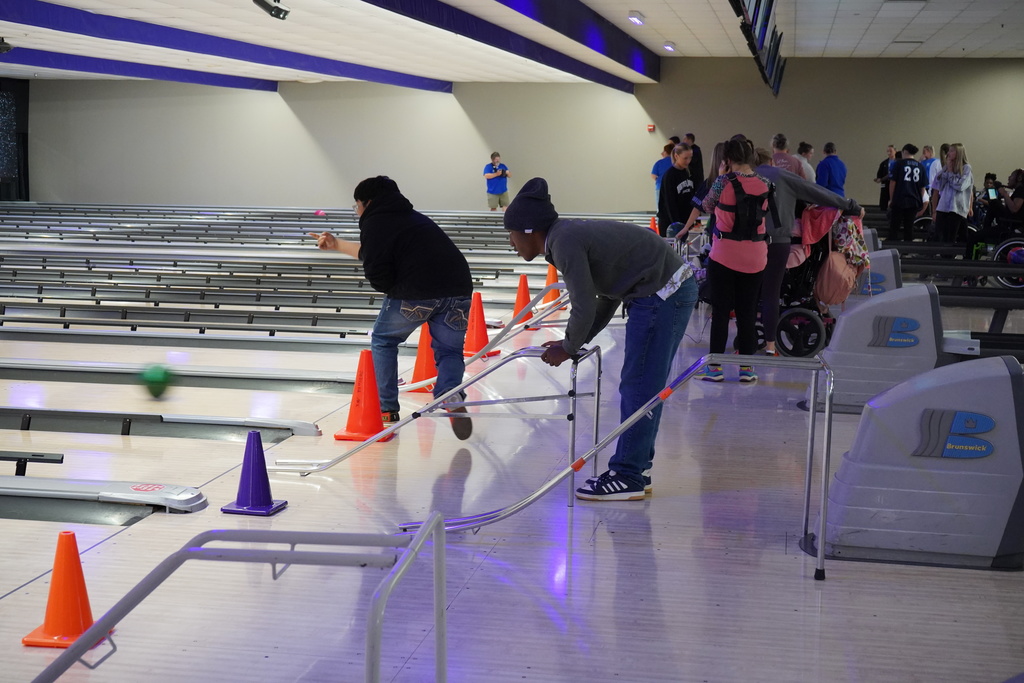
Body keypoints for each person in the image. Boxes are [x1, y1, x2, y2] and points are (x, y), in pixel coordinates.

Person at [503, 177, 698, 501]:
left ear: (528, 230)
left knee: (639, 385)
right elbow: (605, 298)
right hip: (665, 290)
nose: (511, 242)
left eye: (510, 233)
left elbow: (582, 304)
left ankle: (628, 475)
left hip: (661, 293)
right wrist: (572, 344)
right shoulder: (565, 235)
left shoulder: (563, 241)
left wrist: (568, 347)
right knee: (643, 384)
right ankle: (637, 469)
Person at [309, 176, 474, 439]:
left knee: (384, 340)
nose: (357, 211)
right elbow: (375, 251)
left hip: (417, 292)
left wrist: (390, 288)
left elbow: (377, 268)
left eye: (356, 206)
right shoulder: (412, 218)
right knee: (450, 350)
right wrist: (336, 244)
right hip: (459, 289)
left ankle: (385, 408)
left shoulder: (375, 222)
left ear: (367, 202)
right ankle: (450, 393)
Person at [756, 159, 863, 357]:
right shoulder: (788, 186)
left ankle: (767, 343)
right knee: (770, 293)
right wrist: (850, 205)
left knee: (766, 293)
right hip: (786, 247)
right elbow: (816, 191)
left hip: (766, 247)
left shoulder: (749, 179)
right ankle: (770, 346)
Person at [701, 138, 776, 383]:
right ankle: (747, 369)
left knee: (721, 312)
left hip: (724, 255)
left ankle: (715, 369)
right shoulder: (766, 183)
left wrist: (722, 174)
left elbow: (707, 206)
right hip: (756, 257)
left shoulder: (723, 181)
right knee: (747, 312)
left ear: (728, 159)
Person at [931, 142, 974, 246]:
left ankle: (949, 254)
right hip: (943, 206)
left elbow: (960, 186)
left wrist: (950, 172)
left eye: (951, 151)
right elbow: (940, 186)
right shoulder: (946, 168)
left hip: (956, 208)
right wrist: (946, 169)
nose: (948, 153)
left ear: (958, 153)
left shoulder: (966, 168)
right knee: (938, 235)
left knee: (950, 237)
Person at [887, 144, 928, 241]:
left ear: (904, 151)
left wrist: (891, 199)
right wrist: (919, 199)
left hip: (899, 199)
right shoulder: (920, 166)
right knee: (909, 227)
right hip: (913, 200)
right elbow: (922, 187)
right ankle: (908, 246)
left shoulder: (898, 164)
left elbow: (893, 182)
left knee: (894, 226)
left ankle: (892, 245)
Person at [657, 143, 695, 237]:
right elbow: (669, 203)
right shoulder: (669, 176)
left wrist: (691, 221)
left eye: (690, 158)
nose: (688, 161)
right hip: (670, 223)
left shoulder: (688, 172)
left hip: (684, 221)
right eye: (685, 158)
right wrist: (676, 225)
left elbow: (690, 197)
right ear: (676, 156)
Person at [650, 142, 675, 209]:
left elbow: (653, 175)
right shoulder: (675, 162)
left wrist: (658, 179)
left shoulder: (659, 163)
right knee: (671, 207)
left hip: (660, 186)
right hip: (672, 187)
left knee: (660, 207)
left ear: (666, 152)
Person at [874, 144, 897, 211]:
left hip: (895, 185)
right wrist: (878, 179)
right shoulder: (883, 163)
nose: (889, 153)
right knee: (884, 200)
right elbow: (879, 175)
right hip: (885, 185)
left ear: (895, 151)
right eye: (887, 151)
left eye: (890, 151)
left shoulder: (899, 162)